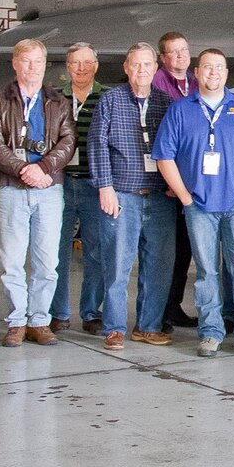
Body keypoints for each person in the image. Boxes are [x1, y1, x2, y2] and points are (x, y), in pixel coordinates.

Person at [154, 49, 234, 358]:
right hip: (199, 207)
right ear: (197, 72)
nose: (213, 73)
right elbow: (164, 157)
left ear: (225, 73)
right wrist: (184, 196)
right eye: (207, 67)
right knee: (207, 272)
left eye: (219, 67)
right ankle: (211, 332)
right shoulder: (180, 110)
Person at [0, 39, 74, 346]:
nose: (32, 67)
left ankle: (39, 320)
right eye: (26, 61)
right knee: (12, 260)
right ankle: (17, 320)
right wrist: (22, 170)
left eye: (38, 62)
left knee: (47, 261)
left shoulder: (59, 102)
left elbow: (67, 141)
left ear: (45, 65)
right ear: (15, 63)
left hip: (48, 189)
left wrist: (44, 168)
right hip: (11, 188)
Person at [91, 43, 177, 349]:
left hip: (160, 198)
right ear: (127, 68)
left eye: (147, 65)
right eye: (136, 65)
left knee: (158, 266)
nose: (142, 70)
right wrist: (105, 187)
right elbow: (97, 145)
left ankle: (148, 326)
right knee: (117, 265)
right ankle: (114, 327)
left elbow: (177, 146)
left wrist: (175, 185)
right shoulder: (111, 101)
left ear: (156, 69)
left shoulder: (167, 103)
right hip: (122, 195)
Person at [53, 42, 109, 334]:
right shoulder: (54, 97)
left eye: (88, 62)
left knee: (96, 252)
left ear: (96, 66)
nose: (82, 68)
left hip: (93, 183)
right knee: (55, 251)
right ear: (68, 67)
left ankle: (91, 312)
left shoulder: (107, 98)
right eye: (76, 62)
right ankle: (58, 312)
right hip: (59, 184)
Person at [154, 32, 200, 333]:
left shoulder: (195, 84)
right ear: (164, 58)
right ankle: (159, 312)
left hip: (191, 184)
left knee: (184, 251)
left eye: (184, 50)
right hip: (166, 186)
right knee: (164, 252)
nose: (181, 56)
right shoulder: (158, 84)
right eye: (174, 52)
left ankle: (173, 307)